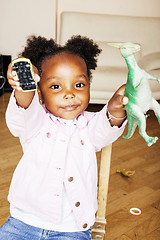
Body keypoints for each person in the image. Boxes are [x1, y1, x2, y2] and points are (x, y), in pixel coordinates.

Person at [0, 35, 128, 240]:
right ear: (40, 92)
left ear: (89, 85)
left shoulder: (90, 124)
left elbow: (107, 126)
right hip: (23, 222)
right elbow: (24, 110)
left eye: (78, 85)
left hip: (71, 228)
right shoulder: (36, 122)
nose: (69, 94)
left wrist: (116, 104)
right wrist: (23, 85)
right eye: (56, 86)